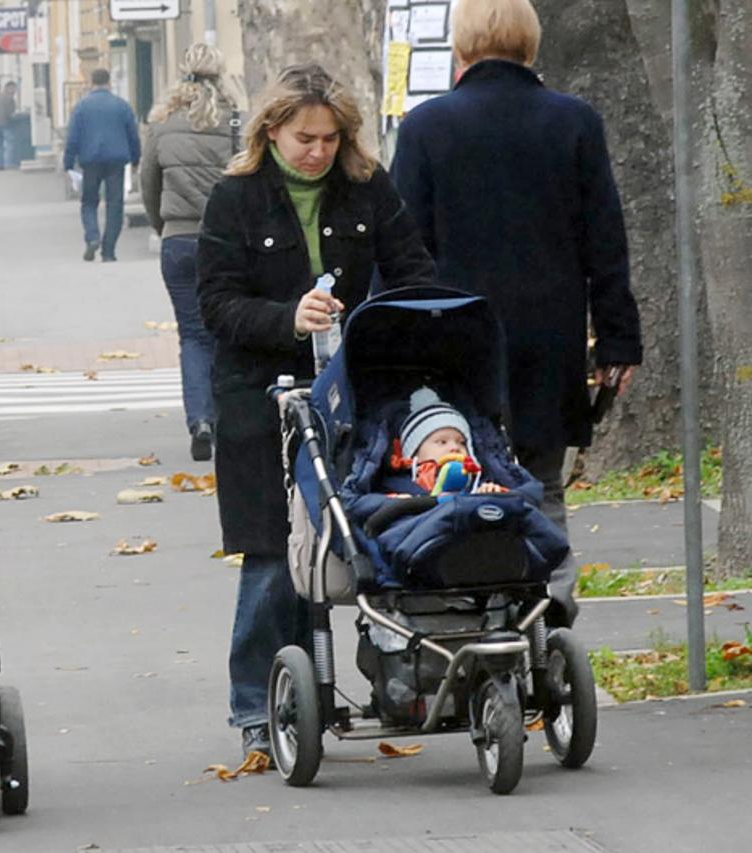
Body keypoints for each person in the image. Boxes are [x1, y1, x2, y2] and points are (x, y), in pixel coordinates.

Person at [197, 63, 436, 757]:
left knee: (365, 539)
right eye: (305, 137)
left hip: (346, 389)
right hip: (258, 396)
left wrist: (391, 329)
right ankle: (254, 704)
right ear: (270, 131)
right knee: (273, 555)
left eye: (330, 138)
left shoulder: (364, 188)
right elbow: (215, 304)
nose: (318, 151)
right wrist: (287, 318)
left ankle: (370, 679)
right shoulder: (234, 197)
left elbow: (412, 268)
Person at [388, 0, 643, 627]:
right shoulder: (574, 122)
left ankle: (466, 614)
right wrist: (617, 340)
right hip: (547, 336)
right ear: (531, 44)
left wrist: (388, 338)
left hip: (454, 340)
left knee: (451, 474)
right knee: (541, 483)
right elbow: (603, 241)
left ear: (462, 47)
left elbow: (404, 246)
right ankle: (549, 615)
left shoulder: (427, 127)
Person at [139, 44, 241, 461]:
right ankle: (229, 417)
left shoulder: (161, 126)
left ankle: (200, 420)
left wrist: (164, 228)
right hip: (225, 242)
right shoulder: (236, 124)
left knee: (193, 335)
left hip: (178, 243)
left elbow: (148, 185)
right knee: (229, 331)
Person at [64, 68, 141, 262]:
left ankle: (92, 237)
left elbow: (72, 137)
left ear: (91, 82)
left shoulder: (81, 107)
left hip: (90, 161)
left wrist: (68, 164)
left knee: (89, 202)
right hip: (117, 161)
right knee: (115, 205)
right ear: (109, 82)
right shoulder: (122, 106)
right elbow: (133, 135)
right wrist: (135, 160)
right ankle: (109, 251)